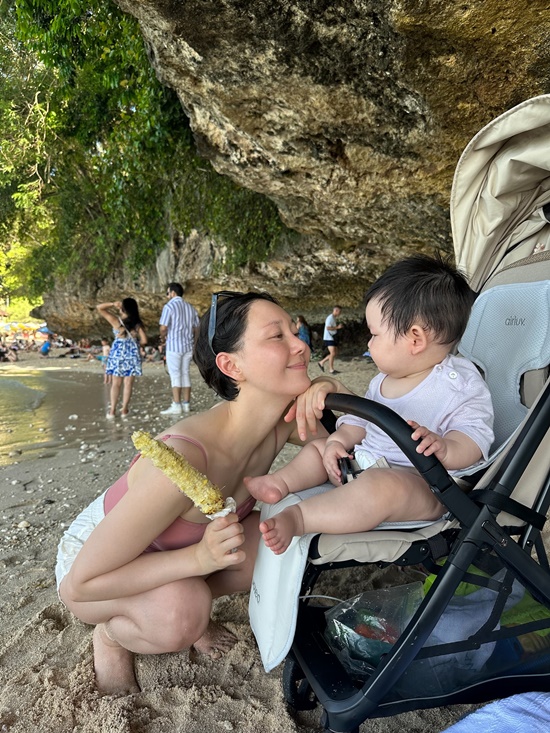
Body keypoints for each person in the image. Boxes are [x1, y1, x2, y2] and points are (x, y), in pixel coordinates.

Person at [55, 291, 326, 695]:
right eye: (277, 336)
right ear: (231, 365)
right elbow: (79, 586)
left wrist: (328, 386)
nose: (301, 344)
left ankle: (182, 593)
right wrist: (199, 559)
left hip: (175, 551)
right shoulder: (185, 459)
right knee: (182, 612)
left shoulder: (282, 420)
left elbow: (358, 434)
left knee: (273, 544)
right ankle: (112, 638)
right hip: (95, 562)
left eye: (294, 330)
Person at [245, 254, 495, 555]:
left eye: (374, 335)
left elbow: (476, 436)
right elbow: (362, 421)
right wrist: (338, 441)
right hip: (361, 466)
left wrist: (446, 448)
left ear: (415, 339)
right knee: (318, 448)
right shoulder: (382, 381)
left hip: (423, 485)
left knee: (381, 487)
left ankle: (299, 518)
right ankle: (280, 482)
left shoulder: (458, 382)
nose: (368, 343)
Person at [97, 299, 147, 419]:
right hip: (132, 355)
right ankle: (124, 410)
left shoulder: (117, 321)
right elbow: (144, 340)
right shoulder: (137, 324)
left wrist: (113, 304)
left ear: (123, 308)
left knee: (116, 384)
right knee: (128, 384)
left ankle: (112, 411)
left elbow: (99, 307)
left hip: (118, 354)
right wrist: (136, 343)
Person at [159, 282, 200, 416]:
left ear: (173, 293)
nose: (167, 296)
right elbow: (197, 328)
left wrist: (162, 337)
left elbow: (163, 327)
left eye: (167, 293)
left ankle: (177, 405)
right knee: (185, 373)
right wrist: (194, 342)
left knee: (175, 375)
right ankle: (186, 404)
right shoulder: (190, 308)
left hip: (174, 346)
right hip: (188, 346)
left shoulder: (169, 306)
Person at [318, 305, 343, 374]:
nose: (340, 313)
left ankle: (321, 362)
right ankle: (331, 369)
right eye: (340, 311)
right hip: (329, 337)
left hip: (332, 337)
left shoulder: (333, 318)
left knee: (335, 352)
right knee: (333, 353)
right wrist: (337, 327)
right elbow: (328, 328)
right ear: (336, 310)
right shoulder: (330, 318)